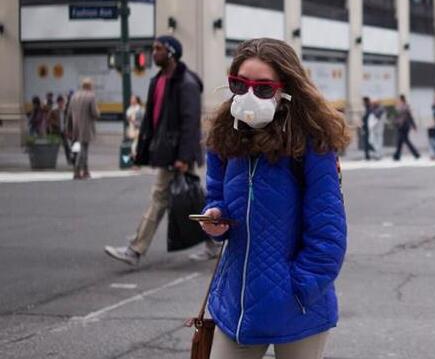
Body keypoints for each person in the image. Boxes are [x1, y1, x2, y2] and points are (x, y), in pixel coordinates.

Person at [198, 38, 349, 359]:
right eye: (239, 85)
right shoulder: (224, 136)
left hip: (299, 307)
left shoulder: (312, 143)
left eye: (264, 88)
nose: (249, 96)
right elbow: (216, 198)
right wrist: (215, 217)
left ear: (286, 89)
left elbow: (328, 233)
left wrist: (300, 289)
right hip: (236, 303)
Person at [104, 35, 204, 266]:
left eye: (158, 49)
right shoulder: (158, 80)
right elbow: (152, 120)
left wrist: (183, 157)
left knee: (161, 198)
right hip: (166, 150)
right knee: (191, 200)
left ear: (171, 53)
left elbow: (190, 124)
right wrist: (142, 152)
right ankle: (214, 243)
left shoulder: (186, 83)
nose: (153, 53)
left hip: (177, 153)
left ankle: (135, 249)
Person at [68, 78, 100, 179]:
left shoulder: (74, 96)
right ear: (89, 86)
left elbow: (69, 113)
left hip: (75, 126)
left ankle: (86, 170)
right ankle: (78, 170)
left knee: (80, 148)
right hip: (86, 126)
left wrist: (68, 127)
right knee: (83, 149)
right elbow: (95, 113)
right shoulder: (91, 96)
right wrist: (98, 114)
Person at [392, 94, 420, 161]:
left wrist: (414, 126)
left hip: (403, 126)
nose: (398, 101)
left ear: (401, 99)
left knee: (404, 141)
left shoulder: (402, 107)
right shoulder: (403, 107)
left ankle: (415, 154)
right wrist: (414, 126)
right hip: (403, 126)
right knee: (401, 141)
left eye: (398, 99)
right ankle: (397, 155)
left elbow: (409, 117)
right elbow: (410, 117)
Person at [47, 94, 72, 164]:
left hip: (63, 131)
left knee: (66, 146)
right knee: (53, 147)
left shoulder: (65, 111)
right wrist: (54, 123)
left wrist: (68, 130)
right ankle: (51, 160)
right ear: (58, 103)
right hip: (56, 131)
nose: (61, 104)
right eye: (60, 102)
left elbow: (69, 120)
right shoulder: (54, 110)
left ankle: (69, 160)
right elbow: (48, 119)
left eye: (62, 102)